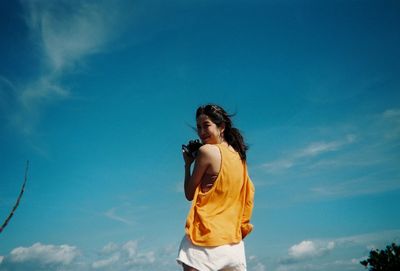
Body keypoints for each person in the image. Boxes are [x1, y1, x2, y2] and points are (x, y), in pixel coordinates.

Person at [177, 104, 255, 271]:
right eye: (198, 127)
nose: (201, 132)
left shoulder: (206, 152)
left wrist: (187, 165)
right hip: (233, 243)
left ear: (222, 127)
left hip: (205, 240)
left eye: (206, 125)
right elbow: (248, 196)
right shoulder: (239, 156)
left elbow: (189, 193)